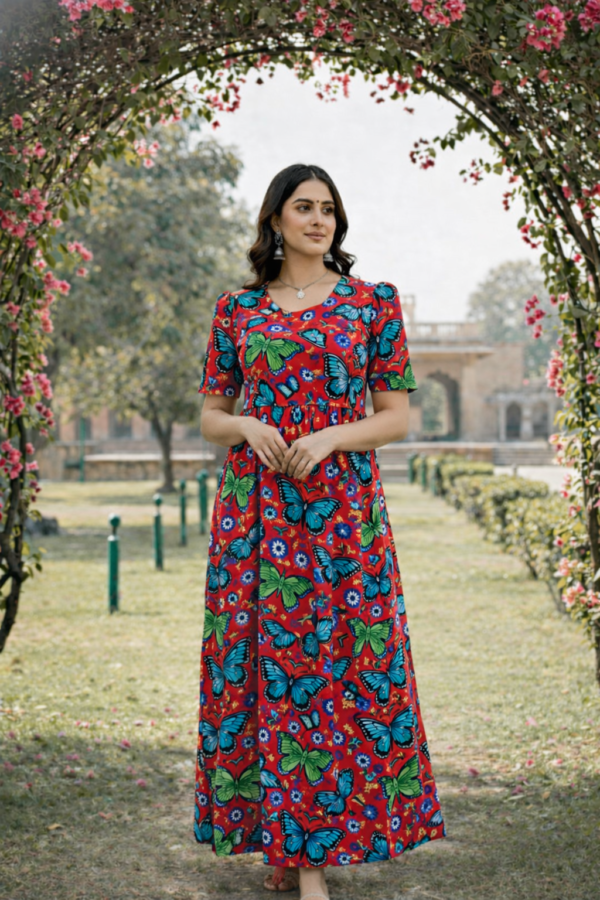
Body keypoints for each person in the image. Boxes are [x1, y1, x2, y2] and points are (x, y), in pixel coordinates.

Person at [194, 163, 445, 900]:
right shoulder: (237, 309)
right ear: (274, 219)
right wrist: (243, 422)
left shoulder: (372, 305)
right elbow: (210, 417)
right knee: (266, 671)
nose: (318, 220)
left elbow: (397, 417)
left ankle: (316, 843)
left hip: (342, 518)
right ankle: (293, 852)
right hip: (257, 514)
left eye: (328, 209)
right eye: (303, 208)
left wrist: (332, 437)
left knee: (343, 669)